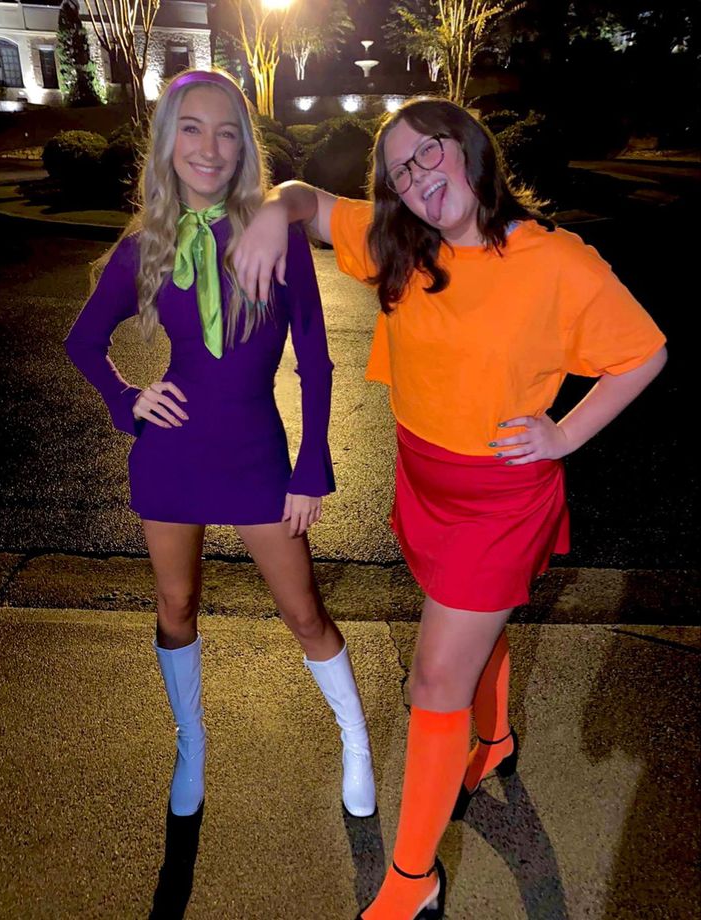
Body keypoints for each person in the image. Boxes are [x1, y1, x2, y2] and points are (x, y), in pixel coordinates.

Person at [232, 97, 667, 919]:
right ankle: (495, 739)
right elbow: (308, 200)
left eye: (429, 152)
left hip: (500, 498)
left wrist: (565, 435)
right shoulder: (399, 243)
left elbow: (645, 351)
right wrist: (270, 211)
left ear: (469, 149)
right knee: (466, 635)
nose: (418, 175)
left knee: (435, 676)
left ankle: (412, 880)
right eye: (400, 169)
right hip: (423, 481)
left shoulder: (557, 261)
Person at [64, 69, 376, 825]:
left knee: (303, 611)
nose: (211, 146)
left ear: (244, 146)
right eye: (193, 128)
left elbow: (316, 358)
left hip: (256, 453)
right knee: (176, 603)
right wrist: (128, 401)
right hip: (171, 453)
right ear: (168, 142)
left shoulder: (277, 233)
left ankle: (355, 742)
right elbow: (82, 341)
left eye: (228, 130)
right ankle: (192, 742)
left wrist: (311, 467)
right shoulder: (148, 245)